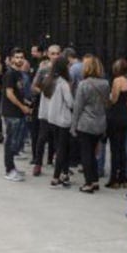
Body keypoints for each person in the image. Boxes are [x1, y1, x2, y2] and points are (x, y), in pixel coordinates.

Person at [71, 55, 109, 193]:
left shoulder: (83, 84)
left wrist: (73, 126)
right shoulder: (105, 84)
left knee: (86, 154)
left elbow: (78, 107)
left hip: (86, 123)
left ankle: (89, 182)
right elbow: (106, 104)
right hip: (100, 123)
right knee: (94, 152)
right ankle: (95, 180)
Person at [1, 48, 32, 182]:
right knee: (10, 142)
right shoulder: (10, 74)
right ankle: (9, 169)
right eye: (17, 57)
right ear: (12, 58)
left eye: (21, 57)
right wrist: (22, 106)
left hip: (17, 112)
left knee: (16, 141)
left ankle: (12, 167)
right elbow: (9, 93)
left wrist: (25, 103)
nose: (19, 59)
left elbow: (18, 92)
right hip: (11, 112)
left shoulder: (18, 74)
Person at [30, 45, 62, 177]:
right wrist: (44, 92)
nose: (55, 56)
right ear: (48, 54)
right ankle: (38, 163)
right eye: (52, 54)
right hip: (45, 107)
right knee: (42, 136)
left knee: (58, 137)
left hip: (59, 108)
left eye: (57, 54)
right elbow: (33, 86)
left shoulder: (64, 69)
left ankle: (58, 165)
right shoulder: (43, 69)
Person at [44, 57, 74, 188]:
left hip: (52, 118)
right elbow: (70, 102)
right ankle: (56, 177)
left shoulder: (50, 80)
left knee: (59, 146)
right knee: (63, 148)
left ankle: (65, 174)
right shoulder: (63, 83)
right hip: (63, 119)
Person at [104, 58, 127, 188]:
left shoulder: (117, 80)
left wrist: (107, 100)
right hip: (125, 116)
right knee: (122, 147)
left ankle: (114, 179)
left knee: (114, 148)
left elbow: (114, 99)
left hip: (115, 116)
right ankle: (123, 177)